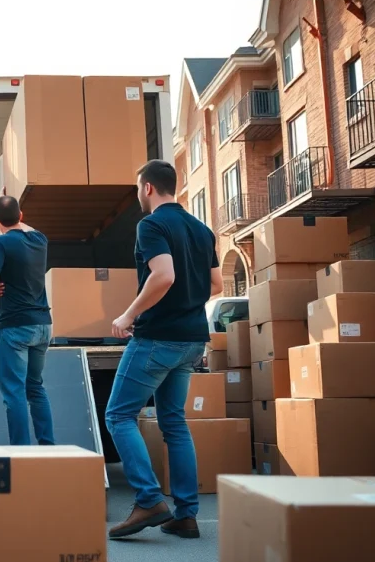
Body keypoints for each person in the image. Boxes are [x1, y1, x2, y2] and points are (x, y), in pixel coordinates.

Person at [105, 159, 222, 540]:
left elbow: (164, 275)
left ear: (148, 187)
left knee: (118, 415)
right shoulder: (202, 230)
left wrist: (129, 314)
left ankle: (149, 499)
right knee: (173, 422)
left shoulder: (151, 225)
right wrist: (184, 303)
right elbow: (216, 285)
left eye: (138, 188)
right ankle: (186, 515)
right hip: (192, 340)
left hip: (158, 338)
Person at [0, 195, 55, 446]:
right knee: (36, 387)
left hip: (16, 326)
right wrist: (19, 221)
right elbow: (27, 228)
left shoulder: (0, 242)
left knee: (14, 391)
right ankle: (48, 447)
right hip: (42, 324)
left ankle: (22, 452)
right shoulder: (40, 239)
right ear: (21, 216)